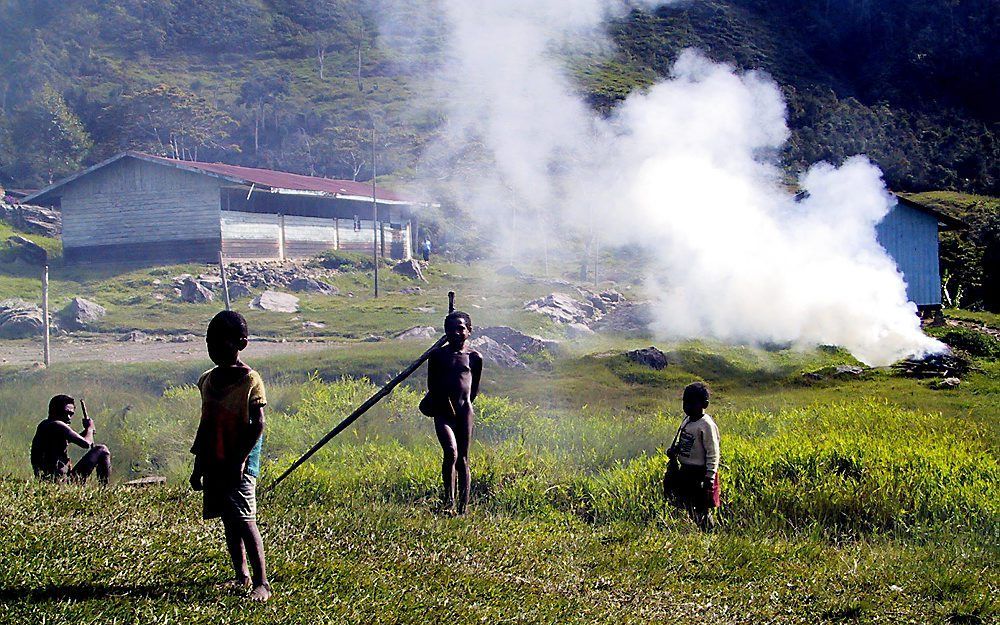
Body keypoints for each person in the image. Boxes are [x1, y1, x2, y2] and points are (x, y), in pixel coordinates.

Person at [190, 311, 271, 602]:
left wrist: (239, 460)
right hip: (214, 458)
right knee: (229, 518)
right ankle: (241, 575)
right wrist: (198, 465)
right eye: (210, 343)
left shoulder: (251, 381)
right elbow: (205, 423)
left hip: (240, 462)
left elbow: (257, 424)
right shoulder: (207, 380)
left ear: (240, 344)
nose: (213, 349)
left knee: (245, 519)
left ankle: (262, 583)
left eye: (220, 343)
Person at [425, 310, 482, 515]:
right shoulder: (438, 355)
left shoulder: (474, 357)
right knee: (450, 452)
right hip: (442, 410)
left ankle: (462, 509)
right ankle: (448, 502)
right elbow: (432, 385)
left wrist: (462, 407)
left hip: (464, 410)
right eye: (451, 329)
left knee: (463, 459)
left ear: (469, 331)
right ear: (445, 332)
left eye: (461, 329)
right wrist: (445, 405)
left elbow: (473, 389)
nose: (456, 333)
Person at [669, 382, 720, 532]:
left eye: (692, 403)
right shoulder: (687, 420)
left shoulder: (706, 425)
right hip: (686, 470)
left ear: (705, 404)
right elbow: (685, 442)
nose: (687, 406)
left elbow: (713, 453)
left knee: (701, 507)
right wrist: (675, 450)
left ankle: (709, 533)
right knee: (688, 504)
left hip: (700, 473)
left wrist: (710, 477)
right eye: (685, 402)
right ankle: (701, 530)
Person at [31, 394, 112, 485]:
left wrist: (87, 432)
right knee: (102, 449)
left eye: (71, 414)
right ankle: (104, 488)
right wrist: (90, 428)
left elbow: (73, 440)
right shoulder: (57, 424)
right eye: (65, 413)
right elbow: (86, 444)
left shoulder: (45, 425)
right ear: (55, 411)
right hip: (61, 483)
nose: (69, 418)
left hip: (57, 481)